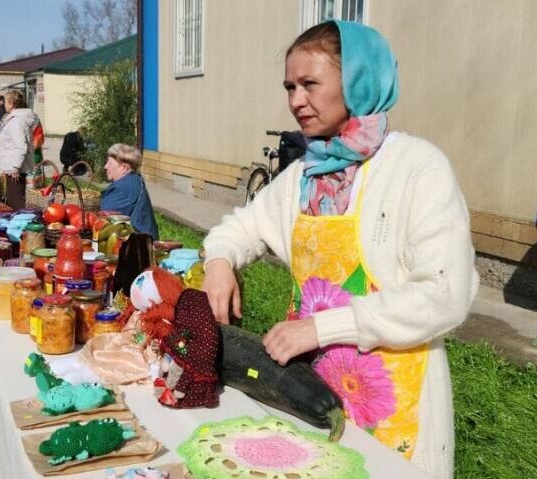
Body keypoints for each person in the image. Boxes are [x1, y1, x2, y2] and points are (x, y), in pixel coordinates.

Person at [201, 21, 478, 479]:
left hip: (394, 400)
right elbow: (239, 227)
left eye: (310, 84)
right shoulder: (301, 178)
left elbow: (445, 295)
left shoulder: (417, 168)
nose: (295, 100)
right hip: (306, 388)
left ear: (358, 82)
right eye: (289, 86)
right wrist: (218, 262)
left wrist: (324, 327)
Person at [99, 143, 158, 240]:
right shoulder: (132, 180)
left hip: (137, 247)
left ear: (125, 168)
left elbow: (104, 222)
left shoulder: (124, 189)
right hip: (140, 241)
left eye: (110, 163)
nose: (106, 166)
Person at [0, 89, 39, 209]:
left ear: (12, 103)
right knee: (13, 199)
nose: (4, 104)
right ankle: (16, 222)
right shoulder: (14, 119)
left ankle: (18, 224)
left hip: (15, 169)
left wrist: (15, 167)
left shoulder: (16, 121)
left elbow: (21, 146)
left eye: (5, 101)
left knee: (15, 202)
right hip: (13, 167)